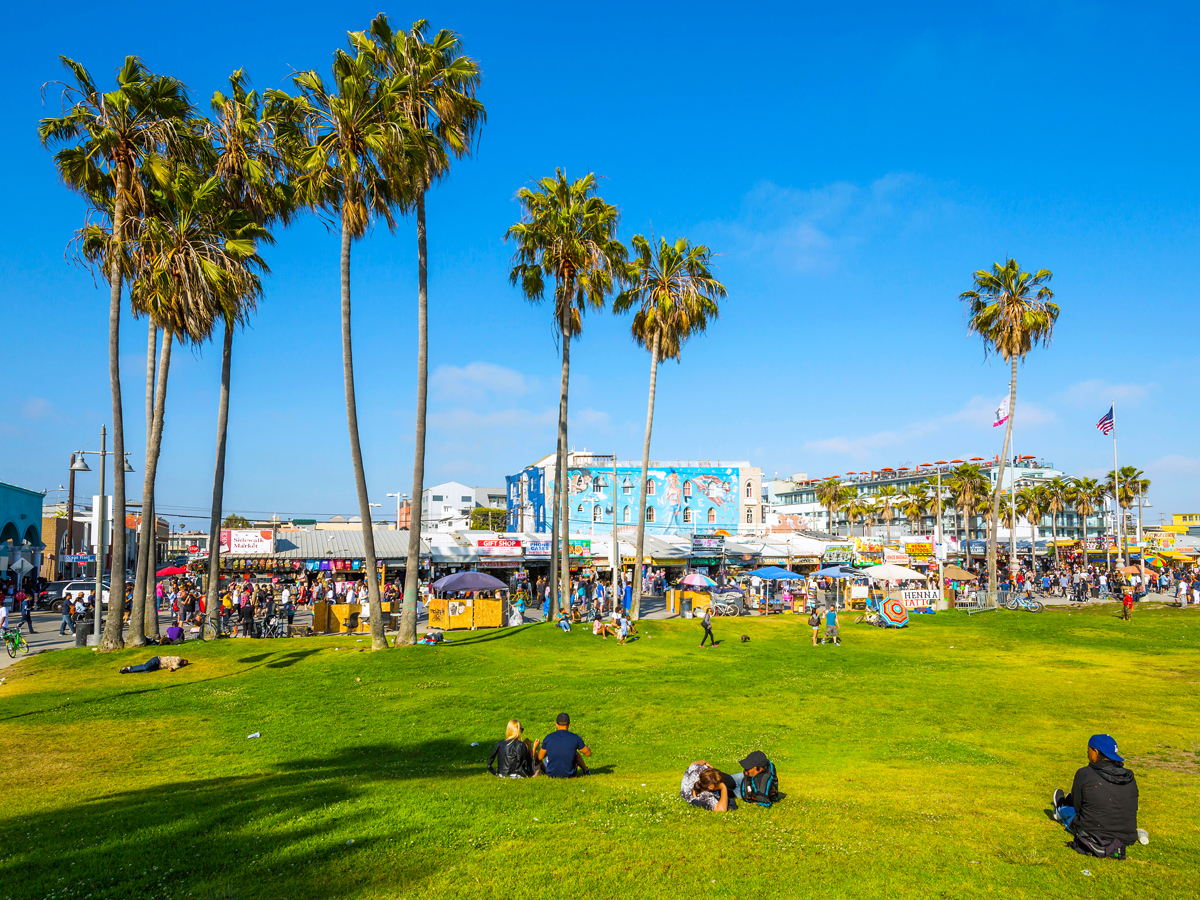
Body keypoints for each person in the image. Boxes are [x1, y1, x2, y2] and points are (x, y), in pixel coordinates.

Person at [1051, 734, 1147, 857]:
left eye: (1088, 749)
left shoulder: (1084, 774)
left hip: (1093, 833)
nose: (1087, 752)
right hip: (1126, 836)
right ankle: (1066, 804)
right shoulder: (1129, 778)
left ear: (1096, 752)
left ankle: (1061, 809)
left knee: (1071, 812)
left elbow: (1079, 808)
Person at [538, 712, 591, 777]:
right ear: (569, 725)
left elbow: (540, 757)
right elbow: (588, 754)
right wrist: (588, 749)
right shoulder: (575, 738)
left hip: (551, 774)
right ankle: (586, 770)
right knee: (575, 753)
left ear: (556, 724)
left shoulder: (548, 738)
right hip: (570, 774)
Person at [119, 656, 190, 674]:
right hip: (157, 660)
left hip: (158, 666)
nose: (183, 662)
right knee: (146, 666)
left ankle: (129, 671)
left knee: (147, 671)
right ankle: (128, 668)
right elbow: (175, 664)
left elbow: (172, 667)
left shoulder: (178, 666)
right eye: (184, 661)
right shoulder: (178, 658)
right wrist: (175, 667)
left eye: (184, 663)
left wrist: (171, 669)